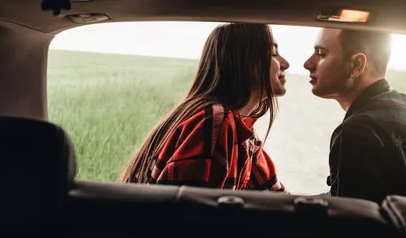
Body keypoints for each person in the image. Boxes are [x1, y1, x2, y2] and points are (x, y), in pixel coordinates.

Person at [119, 23, 289, 191]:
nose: (285, 63)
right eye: (273, 53)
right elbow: (188, 214)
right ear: (244, 61)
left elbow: (275, 198)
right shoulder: (214, 122)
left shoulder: (242, 133)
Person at [303, 28, 406, 203]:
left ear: (357, 65)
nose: (308, 63)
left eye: (321, 54)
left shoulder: (359, 132)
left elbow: (350, 223)